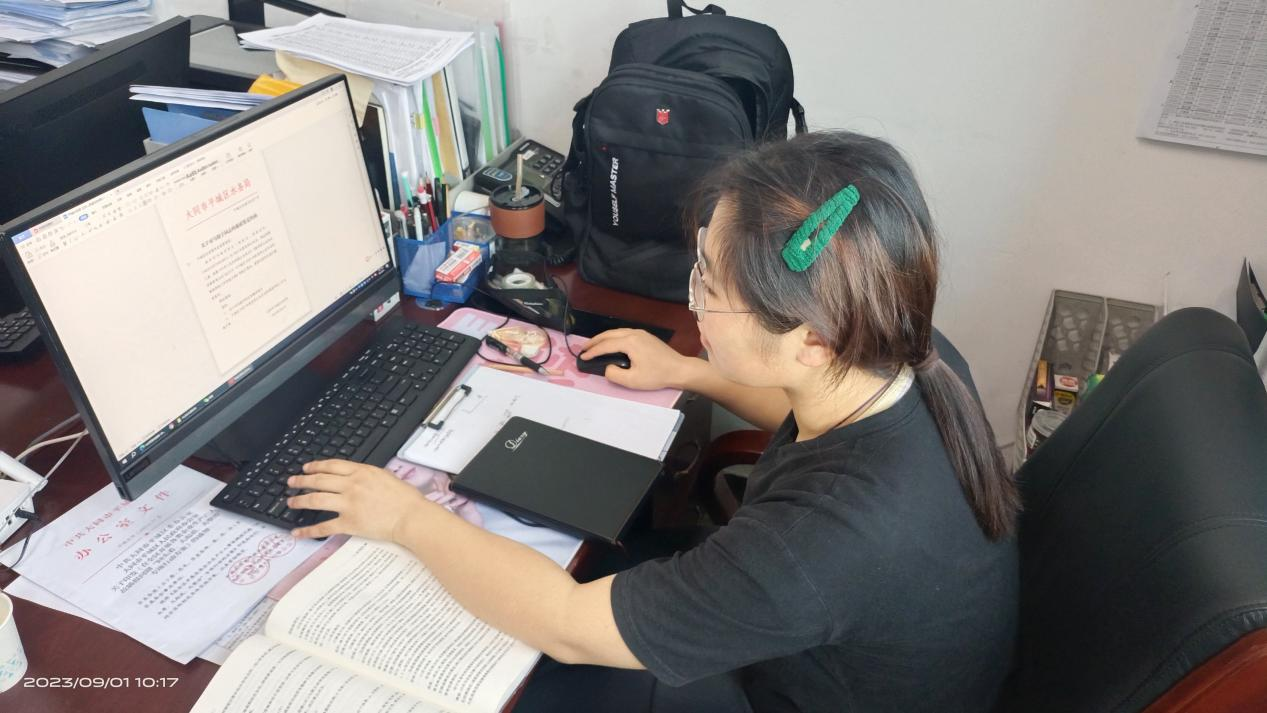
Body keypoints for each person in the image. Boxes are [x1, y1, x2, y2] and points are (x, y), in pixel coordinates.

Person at [284, 131, 1021, 712]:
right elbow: (805, 411)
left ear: (812, 338)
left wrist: (405, 517)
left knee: (526, 673)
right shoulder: (903, 351)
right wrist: (688, 371)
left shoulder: (822, 542)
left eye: (709, 283)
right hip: (829, 651)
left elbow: (568, 626)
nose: (692, 297)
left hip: (780, 688)